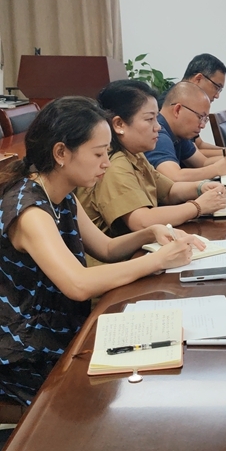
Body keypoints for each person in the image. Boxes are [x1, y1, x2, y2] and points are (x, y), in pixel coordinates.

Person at [0, 97, 200, 406]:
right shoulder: (30, 210)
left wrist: (149, 233)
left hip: (59, 330)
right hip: (25, 352)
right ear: (61, 153)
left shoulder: (61, 193)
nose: (106, 162)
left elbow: (106, 248)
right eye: (98, 153)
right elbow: (78, 284)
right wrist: (156, 261)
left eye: (107, 152)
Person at [77, 80, 226, 236]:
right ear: (119, 124)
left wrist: (200, 187)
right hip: (122, 251)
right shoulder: (114, 164)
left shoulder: (135, 153)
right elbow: (141, 221)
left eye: (156, 118)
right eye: (149, 119)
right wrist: (198, 206)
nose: (158, 127)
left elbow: (168, 191)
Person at [146, 82, 226, 182]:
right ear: (177, 110)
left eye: (205, 119)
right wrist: (216, 169)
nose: (202, 125)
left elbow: (203, 162)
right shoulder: (158, 135)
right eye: (200, 117)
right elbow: (174, 177)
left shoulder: (178, 133)